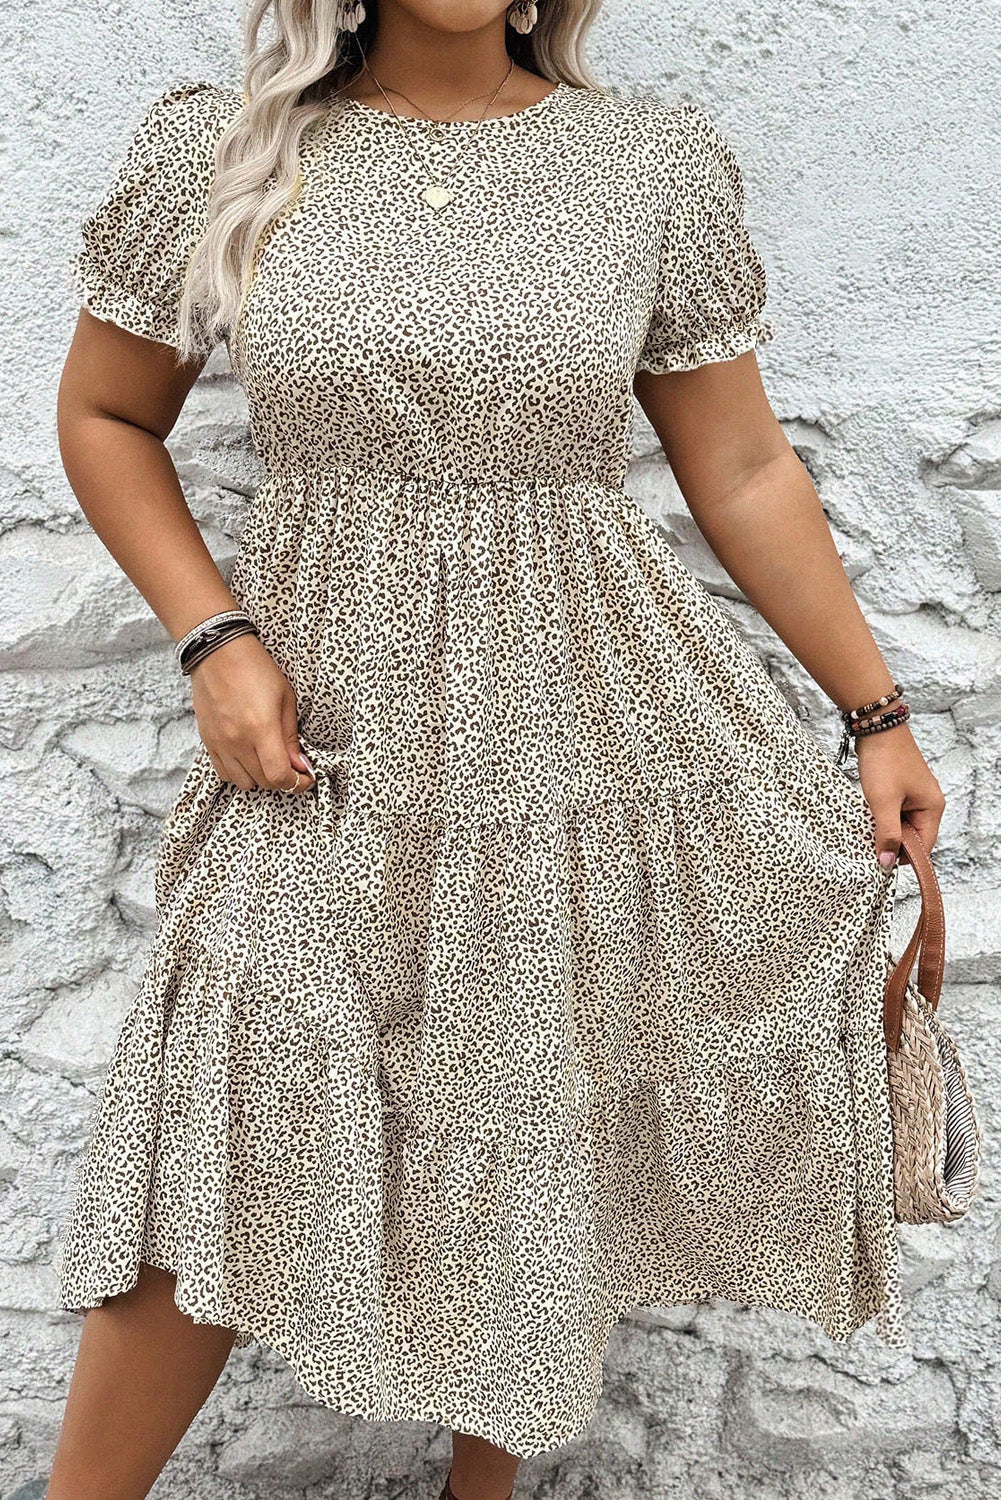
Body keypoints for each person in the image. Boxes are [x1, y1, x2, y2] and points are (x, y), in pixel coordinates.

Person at [50, 2, 945, 1498]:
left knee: (536, 1090)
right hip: (328, 723)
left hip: (586, 713)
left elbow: (738, 464)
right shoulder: (226, 150)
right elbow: (101, 414)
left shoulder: (646, 162)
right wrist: (214, 639)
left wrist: (876, 715)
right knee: (229, 1093)